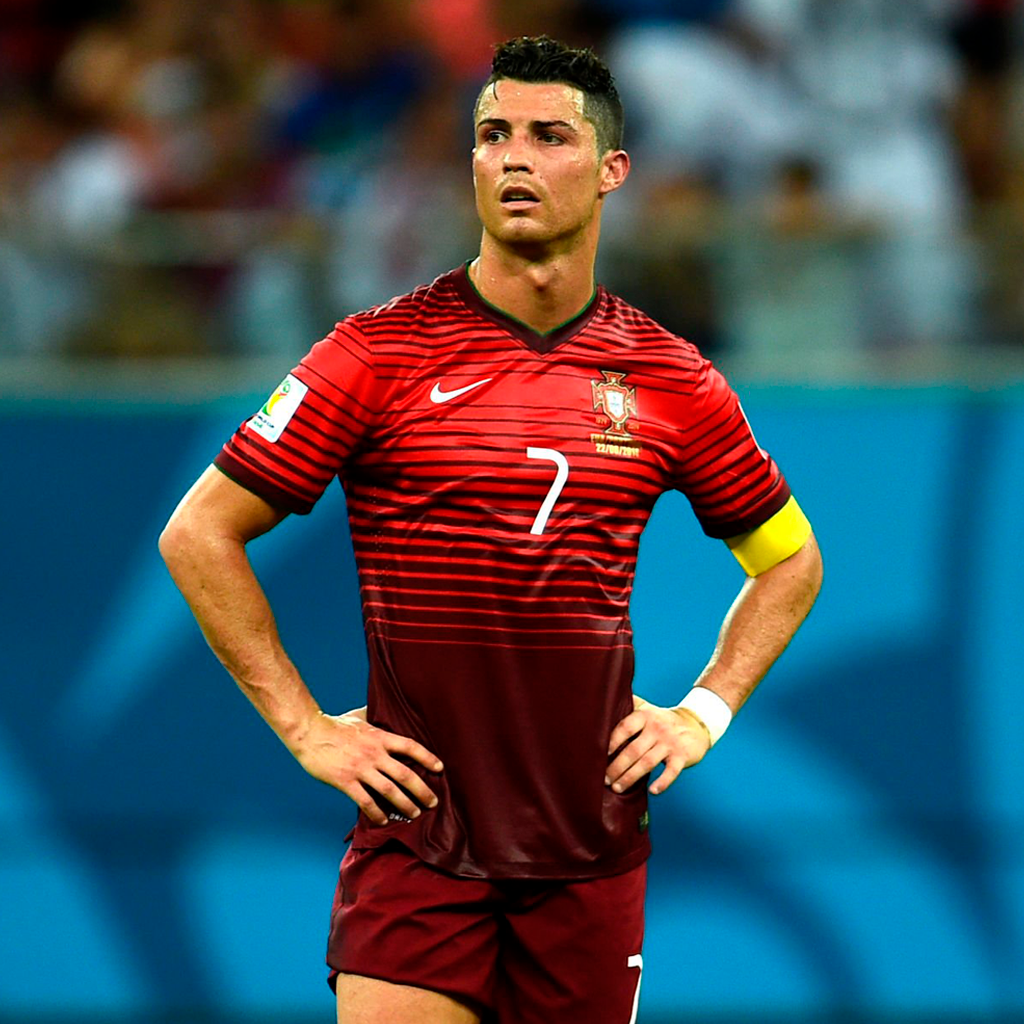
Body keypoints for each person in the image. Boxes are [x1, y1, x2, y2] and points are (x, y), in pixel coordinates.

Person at [160, 35, 823, 1024]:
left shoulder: (671, 378)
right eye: (493, 134)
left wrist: (702, 713)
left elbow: (789, 561)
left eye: (549, 136)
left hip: (590, 854)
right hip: (417, 843)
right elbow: (198, 533)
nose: (514, 156)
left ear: (611, 171)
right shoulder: (375, 353)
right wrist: (304, 728)